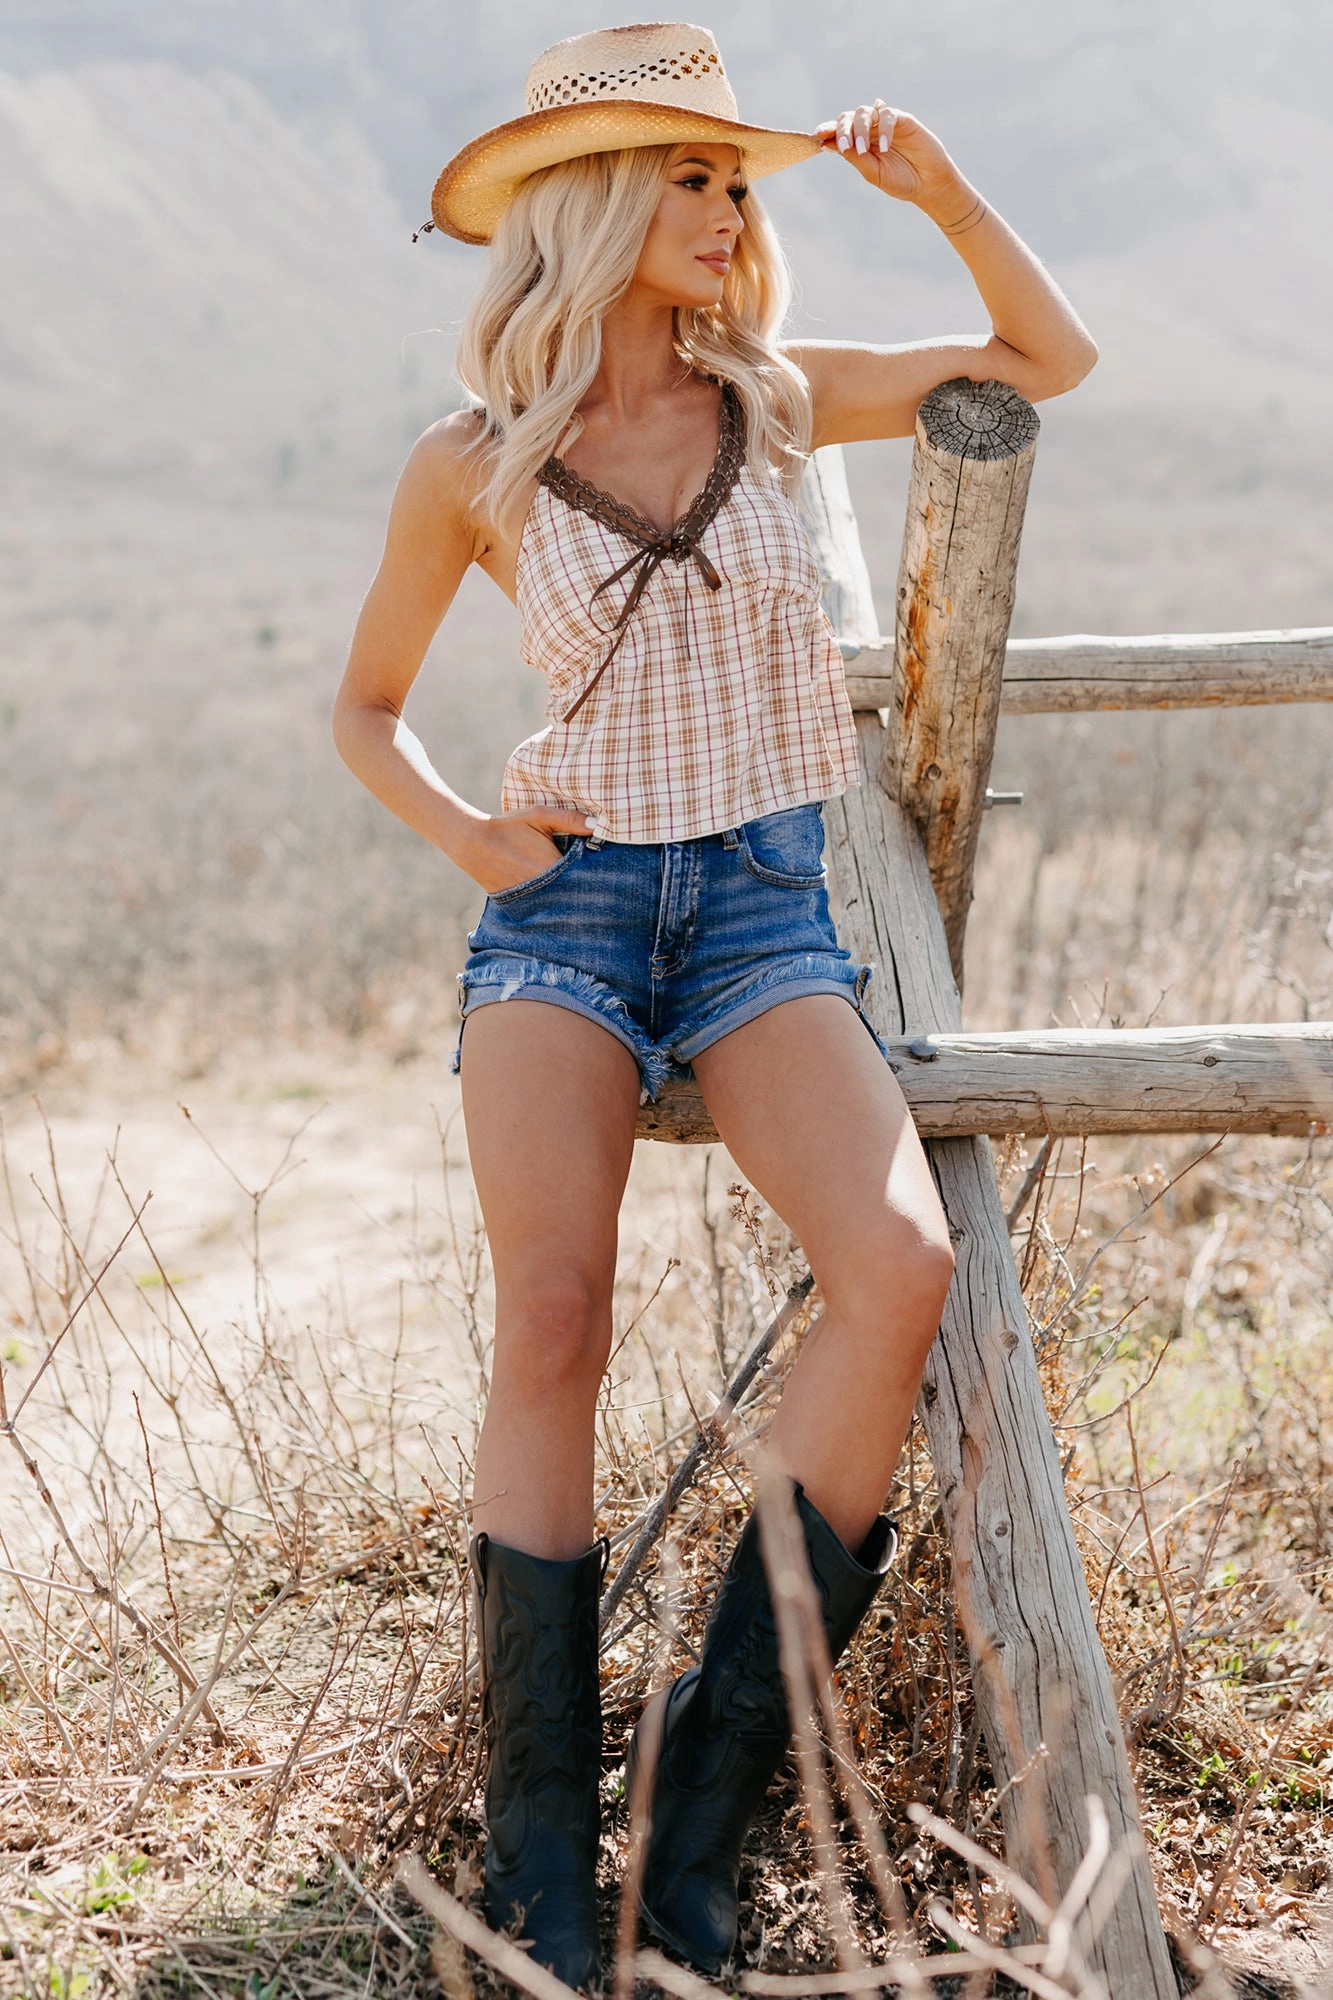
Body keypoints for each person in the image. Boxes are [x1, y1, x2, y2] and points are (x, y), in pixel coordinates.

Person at [334, 22, 1096, 1987]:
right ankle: (539, 1856)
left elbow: (1047, 358)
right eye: (690, 173)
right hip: (568, 921)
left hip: (761, 915)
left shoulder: (784, 396)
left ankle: (705, 1790)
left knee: (899, 1268)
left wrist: (939, 193)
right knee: (554, 1313)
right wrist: (471, 836)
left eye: (739, 179)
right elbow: (367, 707)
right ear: (596, 204)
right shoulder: (472, 463)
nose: (729, 207)